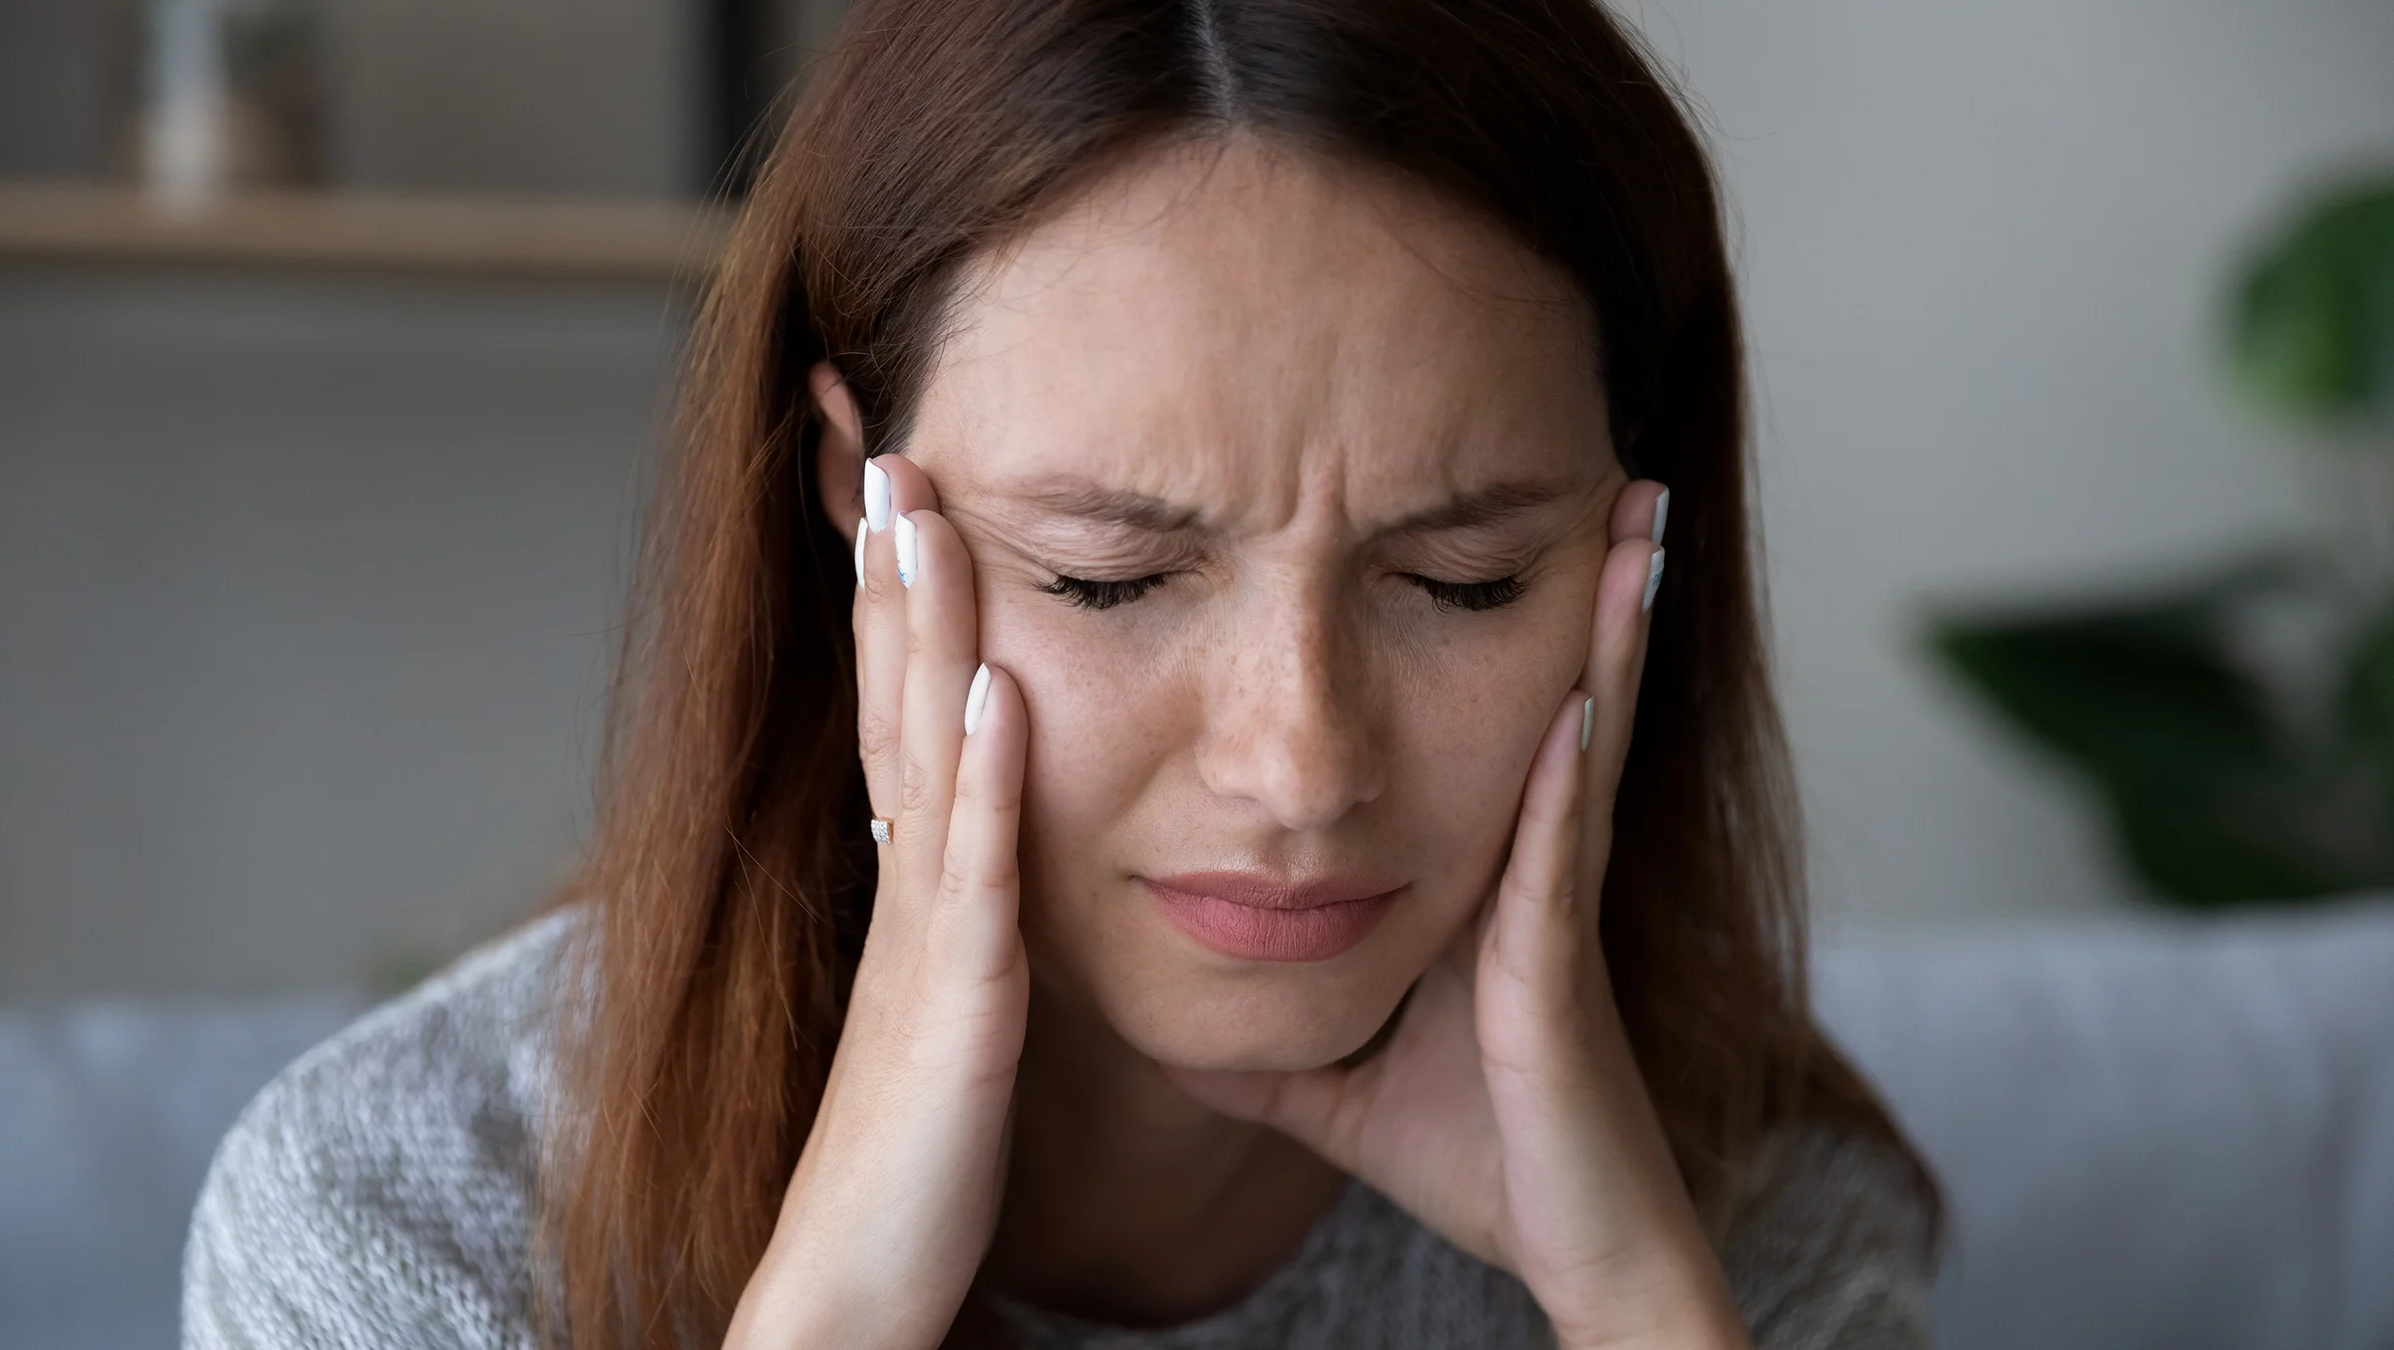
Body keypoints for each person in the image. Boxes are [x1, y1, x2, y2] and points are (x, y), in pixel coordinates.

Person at [184, 0, 1942, 1346]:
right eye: (1111, 577)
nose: (1300, 763)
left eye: (1459, 582)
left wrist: (1633, 1292)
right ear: (857, 503)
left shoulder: (1741, 1216)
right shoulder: (399, 1220)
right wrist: (843, 1299)